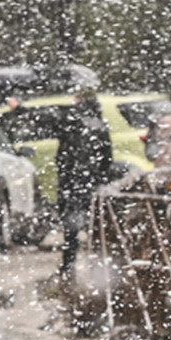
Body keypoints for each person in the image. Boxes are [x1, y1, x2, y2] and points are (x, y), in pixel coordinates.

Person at [53, 90, 113, 279]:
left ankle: (68, 264)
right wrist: (100, 177)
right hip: (91, 182)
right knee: (94, 226)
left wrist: (65, 175)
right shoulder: (100, 125)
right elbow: (107, 158)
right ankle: (96, 266)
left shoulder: (71, 125)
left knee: (71, 227)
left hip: (72, 182)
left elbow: (61, 156)